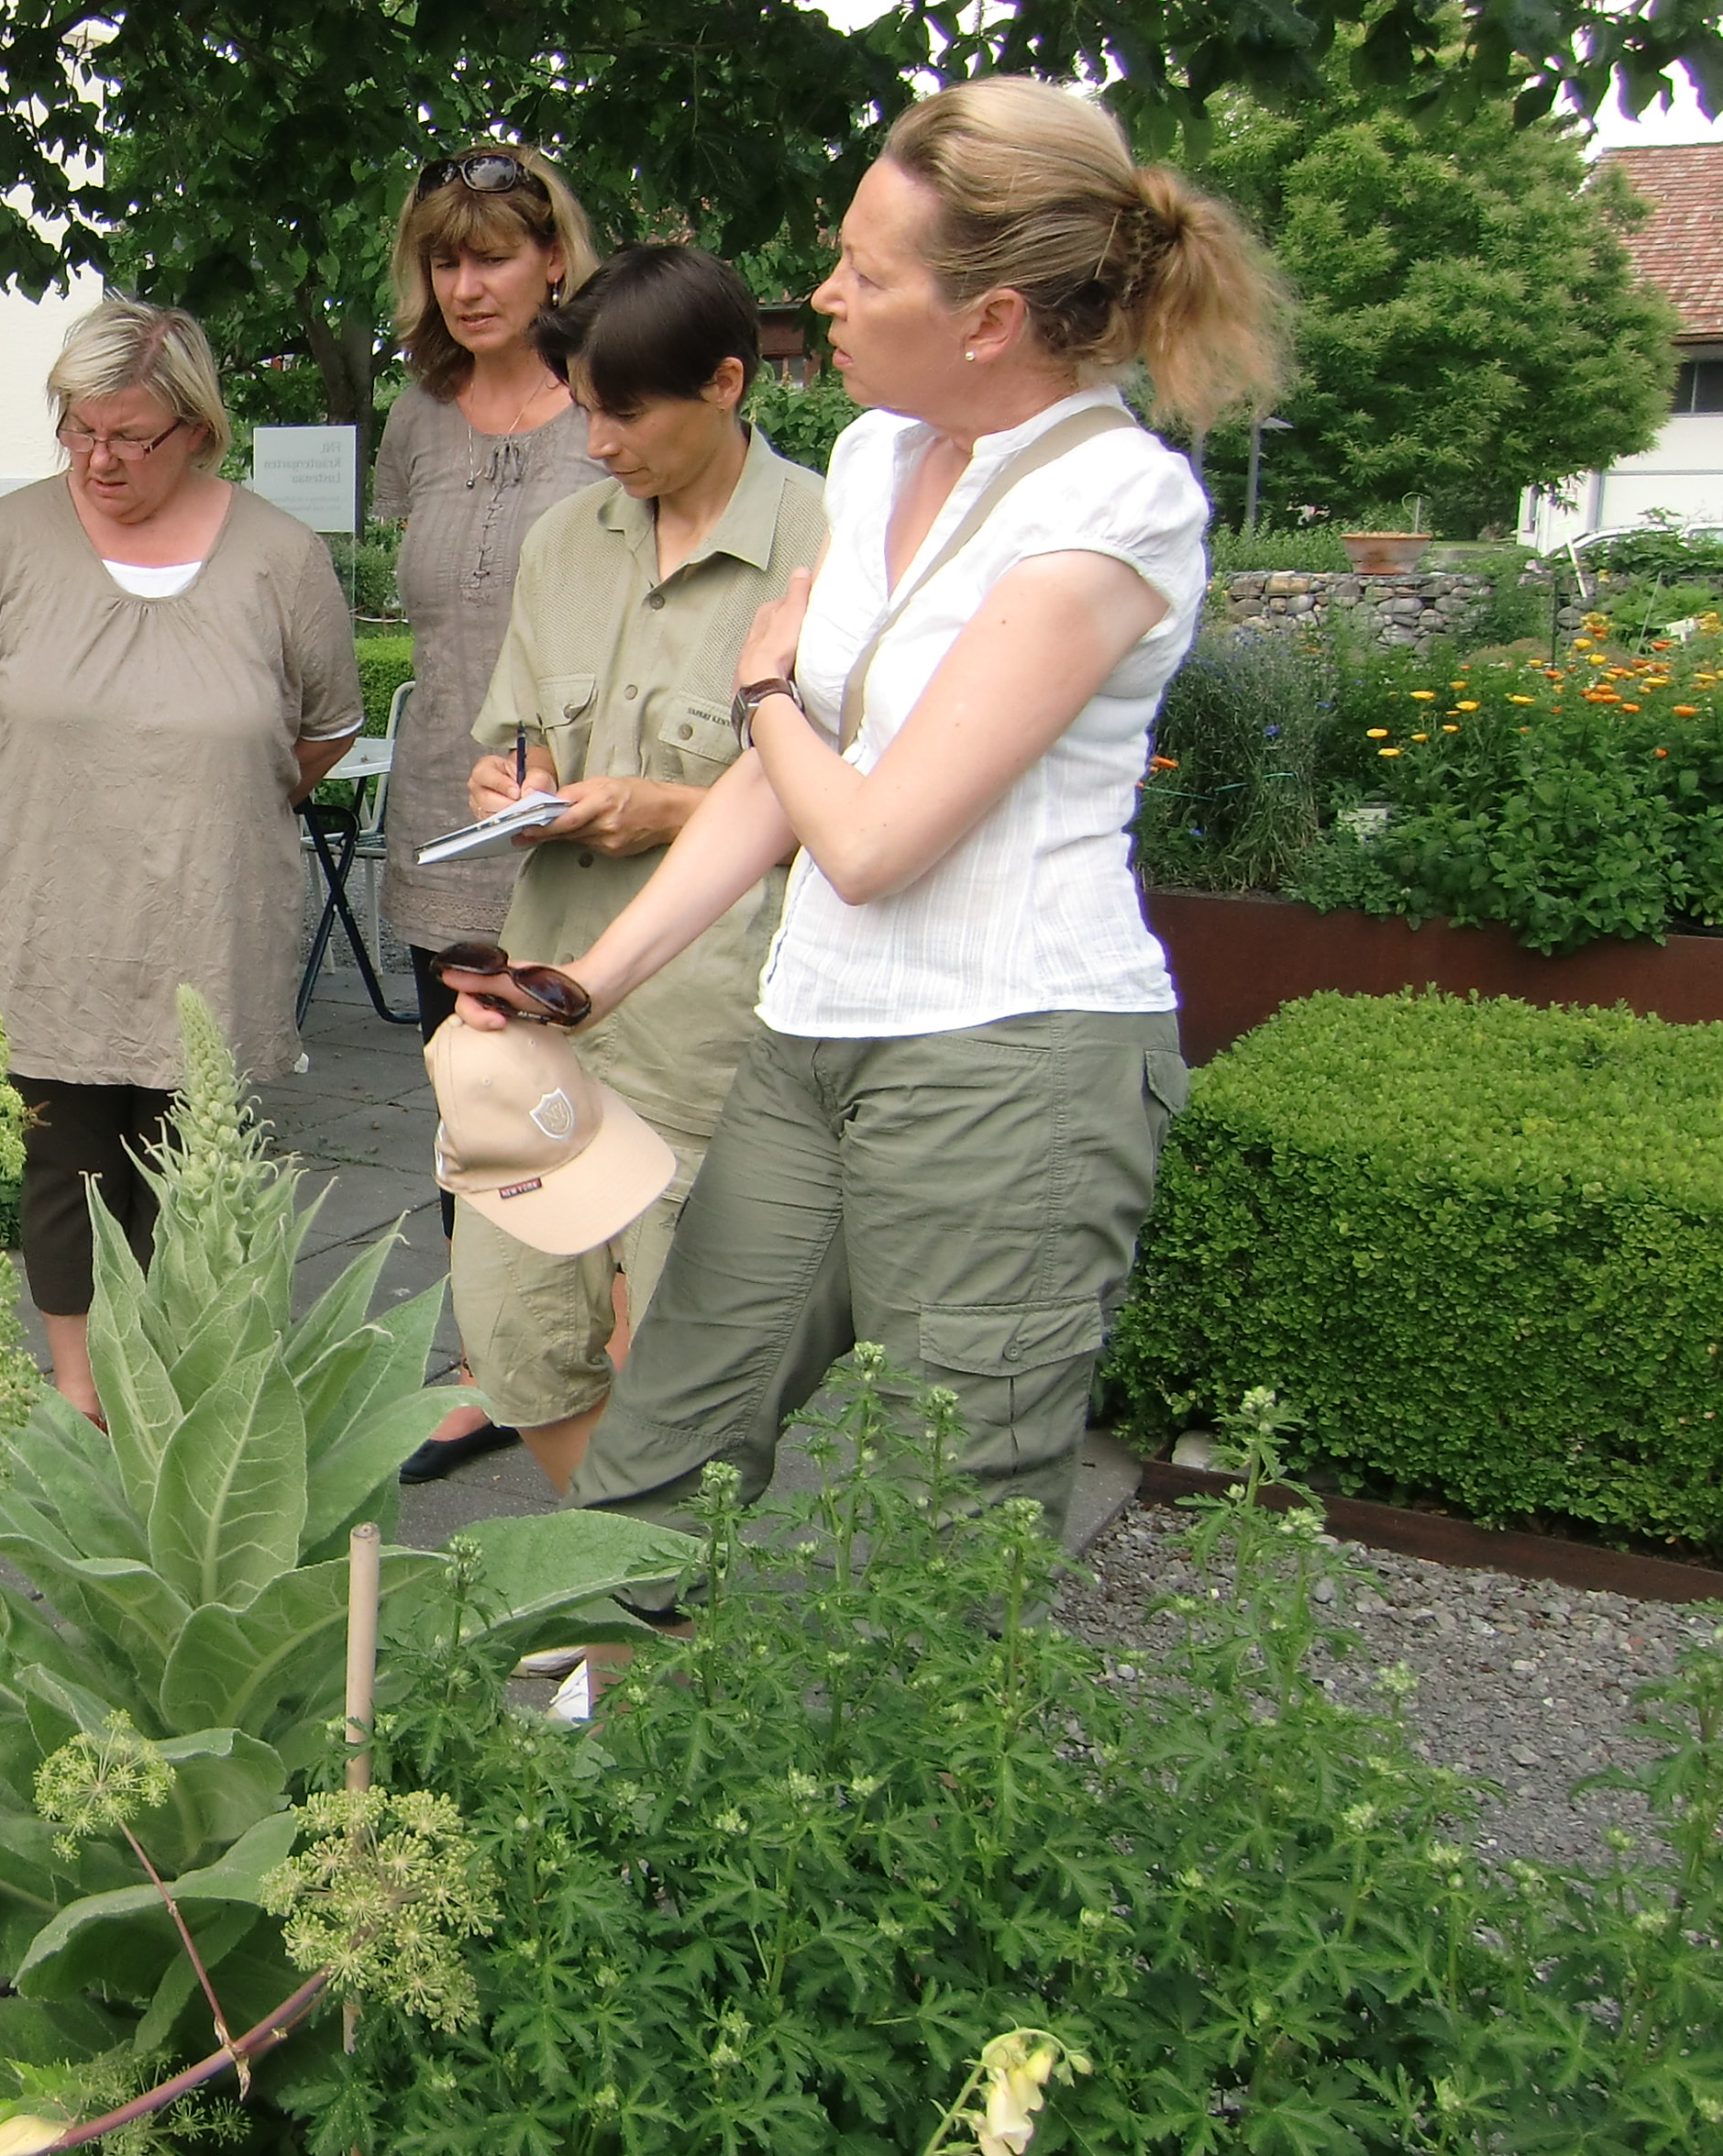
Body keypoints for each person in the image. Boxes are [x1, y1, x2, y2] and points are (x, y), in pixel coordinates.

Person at [443, 76, 1284, 1538]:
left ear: (991, 318)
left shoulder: (1116, 504)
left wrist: (766, 690)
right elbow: (786, 784)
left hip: (1008, 1058)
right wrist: (586, 980)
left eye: (865, 272)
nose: (823, 295)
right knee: (663, 1453)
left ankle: (902, 1710)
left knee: (949, 1518)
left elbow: (876, 838)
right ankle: (611, 1680)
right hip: (809, 1035)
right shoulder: (879, 454)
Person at [401, 243, 827, 1491]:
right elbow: (519, 734)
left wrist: (671, 810)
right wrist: (515, 785)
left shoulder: (832, 541)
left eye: (625, 413)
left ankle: (635, 1596)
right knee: (515, 1338)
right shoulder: (565, 542)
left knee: (686, 1380)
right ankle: (613, 1574)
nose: (595, 443)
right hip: (547, 1018)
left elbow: (877, 807)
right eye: (583, 407)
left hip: (717, 1036)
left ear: (728, 383)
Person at [0, 296, 364, 1420]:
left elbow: (322, 733)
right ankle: (81, 1389)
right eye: (78, 428)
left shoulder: (279, 555)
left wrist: (204, 806)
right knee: (61, 1158)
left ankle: (174, 1379)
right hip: (43, 915)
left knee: (195, 1160)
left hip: (208, 916)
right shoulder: (7, 541)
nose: (97, 457)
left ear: (197, 429)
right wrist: (58, 803)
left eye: (129, 435)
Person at [370, 142, 610, 1036]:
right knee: (464, 1095)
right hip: (443, 816)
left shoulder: (613, 407)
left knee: (588, 1096)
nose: (465, 288)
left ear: (554, 259)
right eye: (444, 264)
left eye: (493, 259)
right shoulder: (416, 416)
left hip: (585, 821)